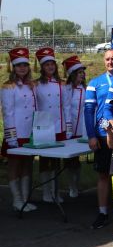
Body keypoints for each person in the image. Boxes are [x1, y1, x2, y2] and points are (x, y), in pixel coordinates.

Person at [84, 49, 113, 228]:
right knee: (103, 175)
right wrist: (91, 135)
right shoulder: (95, 83)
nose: (110, 62)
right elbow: (88, 111)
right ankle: (103, 212)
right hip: (102, 135)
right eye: (107, 59)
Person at [2, 48, 37, 211]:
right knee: (14, 166)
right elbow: (7, 113)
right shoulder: (8, 87)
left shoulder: (31, 86)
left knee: (27, 165)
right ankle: (17, 200)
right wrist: (11, 137)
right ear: (13, 67)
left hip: (30, 133)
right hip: (16, 134)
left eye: (25, 65)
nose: (22, 68)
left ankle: (25, 199)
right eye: (18, 65)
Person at [34, 47, 69, 203]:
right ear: (42, 67)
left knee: (56, 160)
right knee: (44, 160)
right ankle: (45, 192)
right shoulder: (35, 84)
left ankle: (56, 191)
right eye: (47, 64)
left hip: (59, 126)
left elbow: (66, 106)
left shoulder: (62, 84)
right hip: (43, 126)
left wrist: (68, 127)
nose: (50, 67)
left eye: (52, 64)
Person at [62, 56, 87, 198]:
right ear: (72, 74)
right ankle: (71, 186)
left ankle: (77, 184)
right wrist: (68, 128)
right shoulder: (66, 89)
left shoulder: (86, 89)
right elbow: (65, 109)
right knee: (69, 160)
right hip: (69, 130)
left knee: (77, 160)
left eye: (83, 72)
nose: (82, 75)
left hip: (82, 130)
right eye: (79, 73)